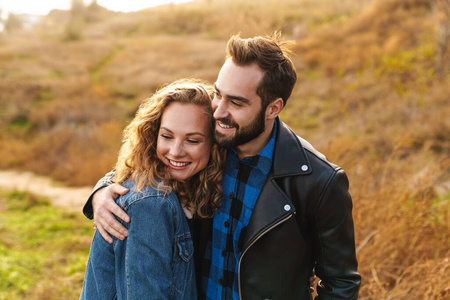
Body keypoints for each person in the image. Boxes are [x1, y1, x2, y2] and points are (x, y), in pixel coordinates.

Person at [83, 33, 361, 299]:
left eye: (236, 103)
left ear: (273, 108)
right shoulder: (209, 145)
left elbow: (341, 282)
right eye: (218, 94)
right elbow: (155, 165)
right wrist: (104, 188)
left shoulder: (318, 181)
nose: (218, 111)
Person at [80, 79, 225, 299]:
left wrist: (102, 186)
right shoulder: (150, 202)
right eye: (167, 136)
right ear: (152, 135)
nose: (175, 151)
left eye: (192, 140)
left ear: (214, 145)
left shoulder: (197, 190)